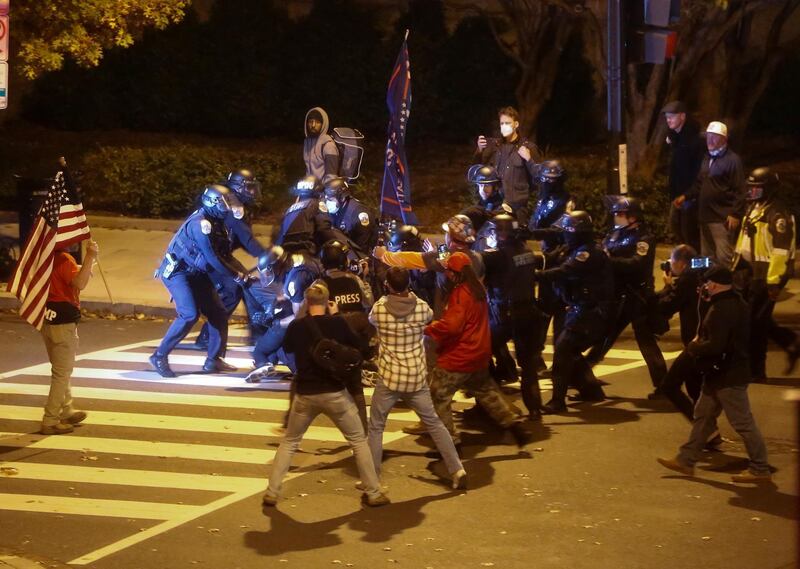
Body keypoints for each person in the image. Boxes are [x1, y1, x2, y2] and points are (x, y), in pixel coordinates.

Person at [262, 283, 390, 508]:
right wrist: (337, 315)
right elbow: (361, 346)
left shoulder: (297, 326)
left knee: (290, 442)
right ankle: (373, 492)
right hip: (334, 392)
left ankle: (272, 491)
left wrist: (302, 315)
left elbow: (288, 349)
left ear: (306, 302)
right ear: (328, 301)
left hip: (305, 394)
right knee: (358, 441)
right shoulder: (338, 323)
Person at [657, 266, 772, 483]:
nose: (703, 287)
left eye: (706, 284)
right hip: (721, 373)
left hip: (728, 376)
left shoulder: (721, 309)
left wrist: (694, 347)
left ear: (714, 285)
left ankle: (760, 468)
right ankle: (686, 460)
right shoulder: (737, 302)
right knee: (703, 417)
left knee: (742, 423)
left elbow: (715, 346)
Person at [367, 267, 467, 490]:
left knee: (375, 427)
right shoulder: (422, 307)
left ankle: (372, 477)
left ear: (388, 285)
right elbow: (431, 318)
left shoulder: (380, 309)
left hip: (390, 377)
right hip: (415, 375)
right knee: (434, 422)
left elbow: (371, 320)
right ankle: (456, 468)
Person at [425, 252, 533, 448]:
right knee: (488, 393)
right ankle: (516, 427)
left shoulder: (460, 295)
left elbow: (452, 327)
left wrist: (430, 328)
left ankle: (449, 444)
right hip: (478, 354)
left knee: (438, 396)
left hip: (459, 356)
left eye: (449, 271)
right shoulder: (478, 290)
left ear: (454, 273)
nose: (447, 274)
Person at [150, 185, 246, 378]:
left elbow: (223, 254)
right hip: (178, 272)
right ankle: (159, 356)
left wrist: (241, 272)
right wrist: (235, 275)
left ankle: (214, 360)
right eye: (223, 203)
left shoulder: (217, 221)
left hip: (197, 272)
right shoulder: (201, 224)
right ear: (211, 203)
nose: (227, 207)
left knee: (218, 313)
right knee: (189, 314)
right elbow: (212, 258)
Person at [586, 196, 667, 397]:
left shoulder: (644, 238)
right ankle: (582, 375)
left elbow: (637, 264)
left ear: (633, 216)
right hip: (617, 293)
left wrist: (609, 261)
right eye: (616, 214)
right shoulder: (615, 233)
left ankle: (664, 386)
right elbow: (604, 249)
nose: (617, 218)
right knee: (605, 334)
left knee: (645, 340)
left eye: (620, 214)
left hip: (637, 295)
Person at [533, 212, 610, 413]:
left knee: (563, 351)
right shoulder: (573, 248)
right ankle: (591, 390)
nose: (565, 235)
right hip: (578, 309)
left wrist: (537, 276)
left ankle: (557, 401)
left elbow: (565, 271)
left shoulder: (588, 253)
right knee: (571, 350)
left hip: (589, 312)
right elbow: (550, 258)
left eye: (567, 231)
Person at [732, 167, 799, 380]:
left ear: (768, 189)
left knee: (755, 324)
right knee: (757, 319)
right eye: (750, 188)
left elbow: (781, 252)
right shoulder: (755, 207)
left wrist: (773, 283)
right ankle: (791, 343)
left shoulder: (777, 215)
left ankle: (756, 371)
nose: (751, 192)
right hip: (750, 272)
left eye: (756, 188)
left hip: (766, 275)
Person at [195, 169, 267, 350]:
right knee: (232, 289)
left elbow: (239, 238)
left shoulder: (234, 202)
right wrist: (267, 256)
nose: (252, 192)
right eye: (249, 188)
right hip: (207, 255)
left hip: (220, 253)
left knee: (247, 283)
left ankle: (256, 334)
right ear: (238, 187)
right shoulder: (231, 205)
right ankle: (207, 336)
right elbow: (246, 238)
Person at [482, 213, 545, 417]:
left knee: (480, 352)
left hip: (506, 314)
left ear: (500, 233)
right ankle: (534, 408)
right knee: (527, 365)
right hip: (528, 311)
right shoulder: (526, 251)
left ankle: (492, 405)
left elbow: (471, 262)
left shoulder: (497, 255)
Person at [39, 240, 99, 435]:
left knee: (60, 368)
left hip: (48, 319)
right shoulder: (64, 259)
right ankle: (50, 419)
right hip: (64, 322)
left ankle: (66, 410)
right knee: (62, 373)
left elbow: (63, 277)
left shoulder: (45, 256)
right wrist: (90, 256)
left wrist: (80, 267)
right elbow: (79, 283)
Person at [527, 159, 574, 372]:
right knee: (543, 309)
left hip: (563, 256)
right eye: (545, 180)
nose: (548, 183)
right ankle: (536, 355)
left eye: (552, 180)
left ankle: (561, 360)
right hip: (547, 256)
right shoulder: (543, 200)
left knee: (561, 310)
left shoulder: (568, 201)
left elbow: (561, 229)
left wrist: (534, 233)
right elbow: (534, 223)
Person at [675, 121, 745, 265]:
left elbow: (740, 189)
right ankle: (708, 284)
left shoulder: (732, 160)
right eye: (708, 136)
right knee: (707, 258)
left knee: (724, 257)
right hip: (705, 217)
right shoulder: (707, 158)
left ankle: (726, 286)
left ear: (724, 139)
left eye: (714, 136)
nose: (710, 140)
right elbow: (700, 184)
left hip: (722, 219)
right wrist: (685, 196)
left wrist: (735, 214)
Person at [474, 106, 541, 225]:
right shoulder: (494, 146)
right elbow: (478, 171)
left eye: (508, 123)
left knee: (513, 240)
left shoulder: (527, 148)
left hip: (516, 209)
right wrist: (479, 150)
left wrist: (529, 159)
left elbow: (539, 178)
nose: (504, 126)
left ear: (516, 124)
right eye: (502, 123)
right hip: (494, 207)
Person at [661, 101, 704, 251]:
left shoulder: (695, 140)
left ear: (682, 116)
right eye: (667, 117)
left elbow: (698, 171)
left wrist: (688, 195)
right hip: (677, 196)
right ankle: (687, 267)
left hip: (690, 197)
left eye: (672, 117)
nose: (668, 120)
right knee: (678, 232)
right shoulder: (675, 138)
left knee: (691, 236)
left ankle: (698, 269)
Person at [274, 176, 347, 255]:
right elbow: (324, 228)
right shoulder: (317, 204)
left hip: (287, 254)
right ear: (317, 192)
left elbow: (280, 236)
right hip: (307, 252)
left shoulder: (289, 210)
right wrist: (335, 243)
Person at [656, 244, 701, 348]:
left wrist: (668, 286)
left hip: (695, 337)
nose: (670, 266)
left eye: (672, 262)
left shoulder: (686, 280)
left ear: (681, 263)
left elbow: (666, 306)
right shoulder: (703, 267)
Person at [323, 177, 377, 256]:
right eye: (326, 199)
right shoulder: (335, 210)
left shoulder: (358, 214)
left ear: (342, 198)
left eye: (330, 199)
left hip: (359, 255)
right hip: (343, 251)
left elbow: (362, 248)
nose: (327, 203)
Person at [304, 107, 339, 184]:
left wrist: (326, 190)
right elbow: (308, 170)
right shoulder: (307, 142)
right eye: (310, 122)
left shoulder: (328, 145)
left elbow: (331, 176)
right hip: (310, 189)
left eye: (317, 122)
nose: (313, 125)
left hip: (324, 191)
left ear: (323, 124)